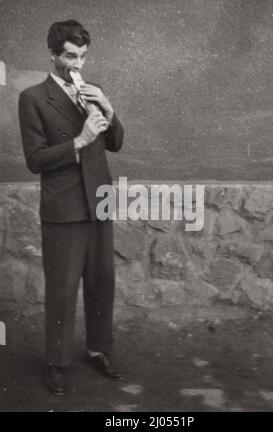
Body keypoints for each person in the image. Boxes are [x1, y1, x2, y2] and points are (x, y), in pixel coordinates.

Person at [18, 19, 124, 396]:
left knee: (102, 283)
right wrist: (80, 141)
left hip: (99, 203)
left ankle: (98, 349)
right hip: (63, 209)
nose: (77, 63)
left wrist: (108, 109)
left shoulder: (94, 90)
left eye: (82, 55)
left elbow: (115, 143)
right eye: (69, 56)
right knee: (62, 290)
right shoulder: (32, 98)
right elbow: (35, 159)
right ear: (52, 54)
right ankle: (57, 362)